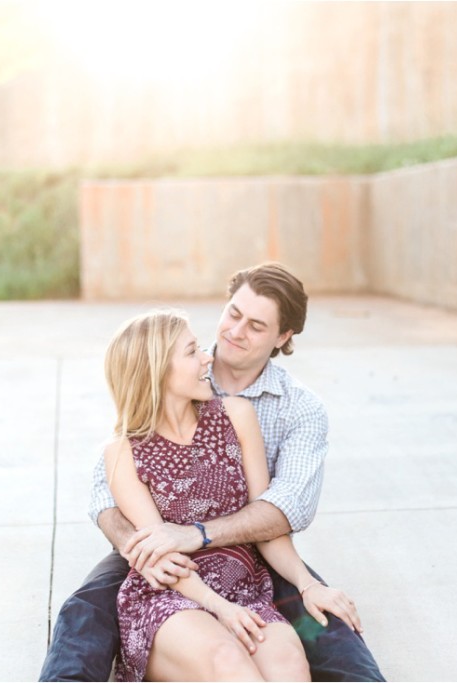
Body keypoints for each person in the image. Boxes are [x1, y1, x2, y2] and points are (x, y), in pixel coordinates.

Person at [40, 262, 385, 681]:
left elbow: (281, 510)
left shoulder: (298, 408)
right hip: (160, 550)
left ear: (282, 337)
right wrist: (139, 546)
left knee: (326, 630)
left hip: (252, 550)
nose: (234, 333)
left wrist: (201, 535)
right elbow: (106, 491)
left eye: (256, 326)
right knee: (86, 612)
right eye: (233, 314)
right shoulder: (177, 359)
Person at [101, 309, 361, 681]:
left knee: (288, 664)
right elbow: (164, 554)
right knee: (229, 662)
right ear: (156, 369)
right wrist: (220, 608)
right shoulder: (123, 451)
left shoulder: (237, 415)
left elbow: (264, 524)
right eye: (192, 352)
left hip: (246, 586)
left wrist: (309, 585)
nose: (208, 357)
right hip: (173, 595)